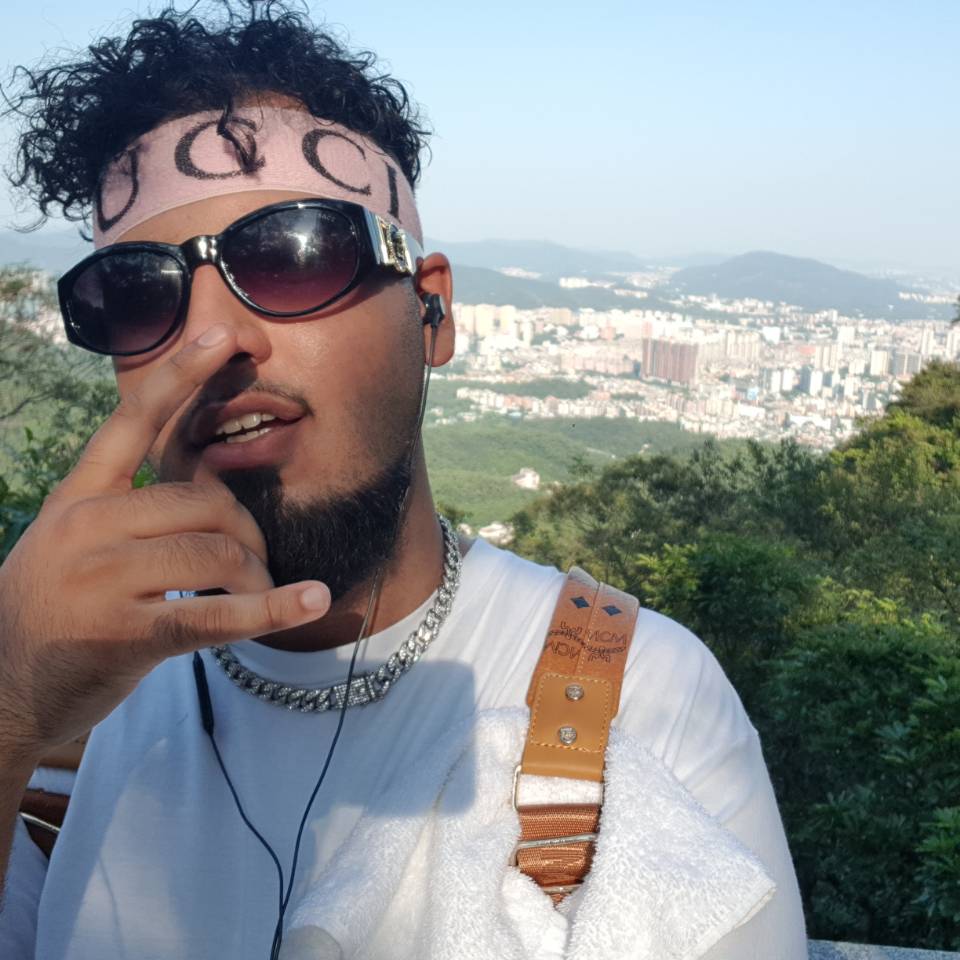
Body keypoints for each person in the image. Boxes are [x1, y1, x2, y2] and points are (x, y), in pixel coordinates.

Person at [0, 3, 808, 958]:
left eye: (294, 255)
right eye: (139, 296)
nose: (213, 341)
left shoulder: (640, 699)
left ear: (433, 313)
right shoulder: (74, 705)